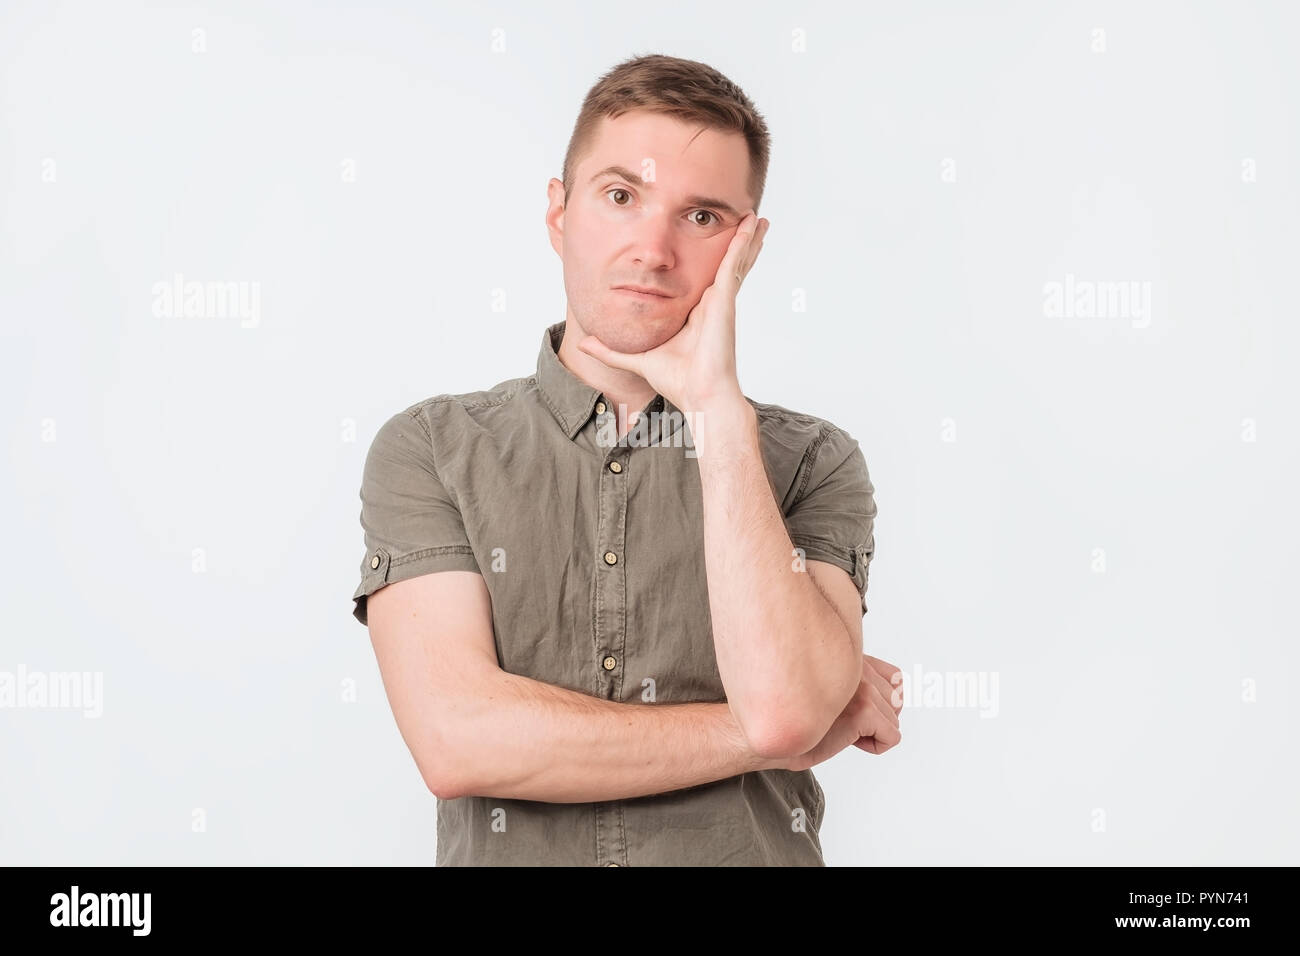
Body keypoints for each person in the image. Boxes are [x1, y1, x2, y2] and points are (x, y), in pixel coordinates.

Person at [351, 53, 903, 866]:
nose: (652, 250)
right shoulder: (432, 449)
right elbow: (459, 741)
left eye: (703, 216)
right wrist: (761, 727)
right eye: (620, 197)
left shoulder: (811, 461)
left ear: (747, 246)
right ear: (559, 212)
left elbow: (787, 714)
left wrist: (717, 414)